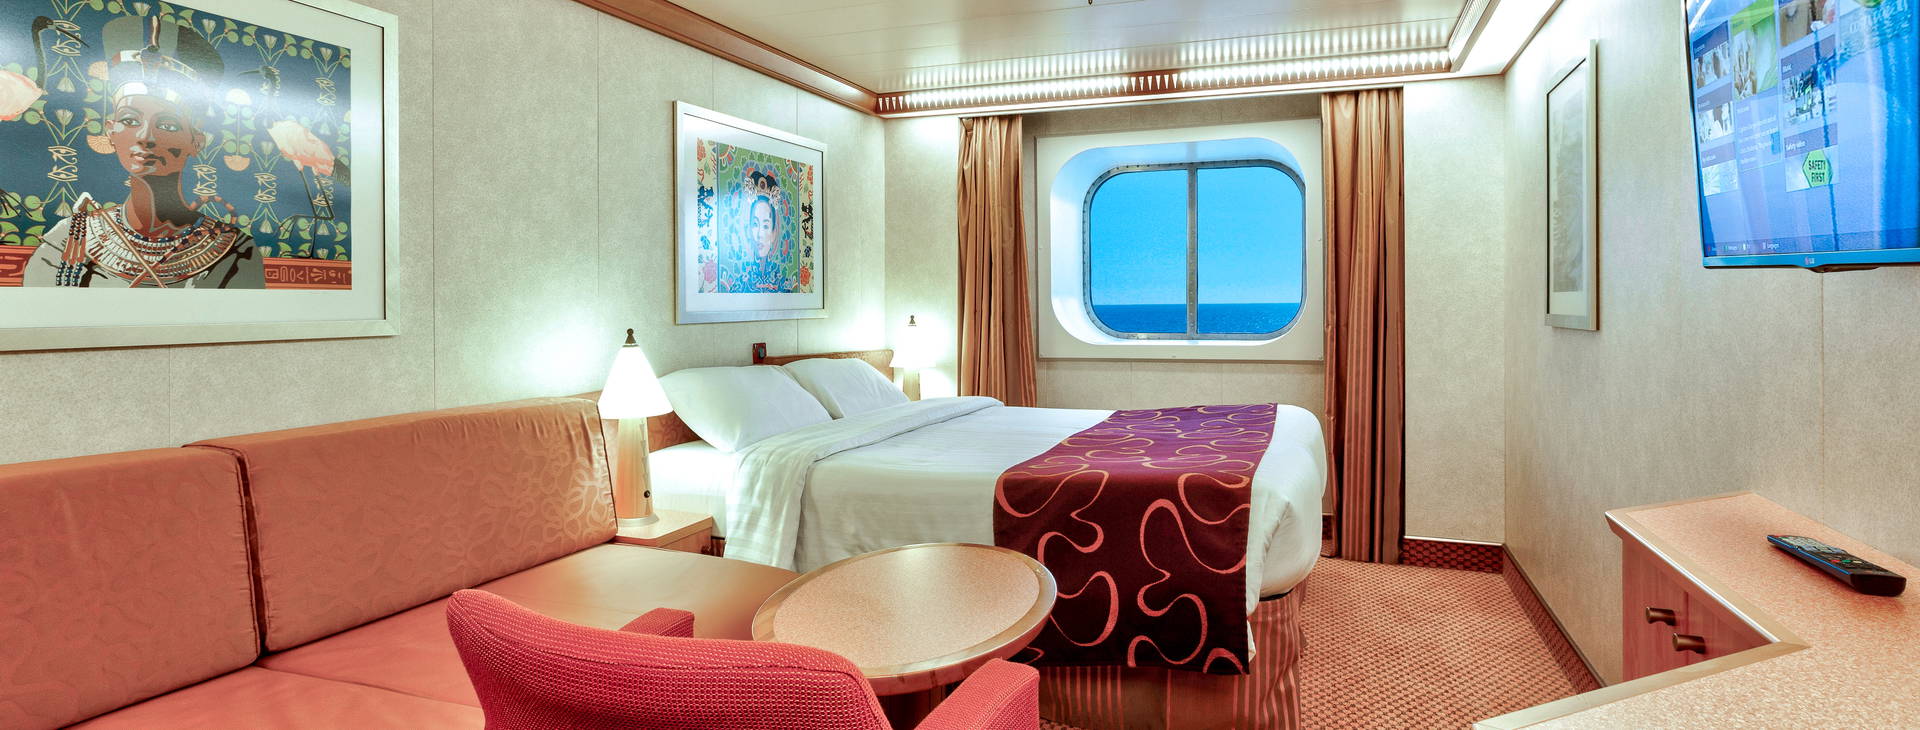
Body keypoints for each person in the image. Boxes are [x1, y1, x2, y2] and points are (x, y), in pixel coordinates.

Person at [24, 15, 262, 288]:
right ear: (111, 131)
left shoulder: (235, 251)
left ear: (196, 141)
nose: (145, 136)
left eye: (168, 125)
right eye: (129, 120)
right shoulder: (65, 239)